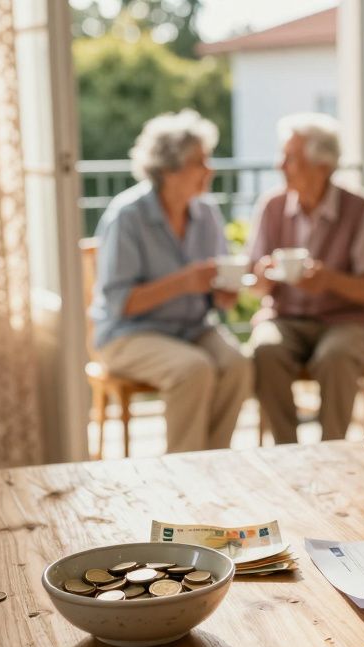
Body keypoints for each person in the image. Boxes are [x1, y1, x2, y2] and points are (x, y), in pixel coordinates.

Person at [90, 110, 251, 453]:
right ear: (168, 170)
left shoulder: (206, 212)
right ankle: (184, 471)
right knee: (194, 369)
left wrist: (225, 293)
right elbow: (121, 302)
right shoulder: (128, 216)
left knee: (237, 365)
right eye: (200, 162)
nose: (210, 170)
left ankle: (213, 462)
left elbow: (219, 288)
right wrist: (183, 282)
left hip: (191, 329)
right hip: (128, 334)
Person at [247, 113, 364, 444]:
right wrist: (264, 277)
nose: (280, 165)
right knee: (265, 349)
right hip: (285, 319)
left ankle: (333, 448)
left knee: (335, 357)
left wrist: (329, 280)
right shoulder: (272, 207)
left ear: (321, 165)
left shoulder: (360, 209)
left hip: (346, 321)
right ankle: (286, 450)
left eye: (290, 157)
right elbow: (255, 286)